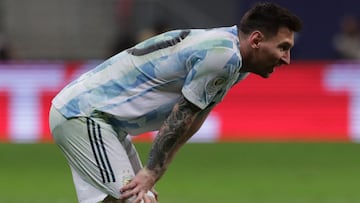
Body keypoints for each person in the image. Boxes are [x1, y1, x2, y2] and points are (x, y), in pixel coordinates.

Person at [49, 2, 302, 202]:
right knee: (134, 199)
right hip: (84, 115)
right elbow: (182, 116)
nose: (286, 59)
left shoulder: (235, 61)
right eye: (283, 47)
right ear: (256, 40)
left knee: (134, 198)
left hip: (104, 123)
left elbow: (194, 119)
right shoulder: (223, 56)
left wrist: (154, 172)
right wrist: (150, 172)